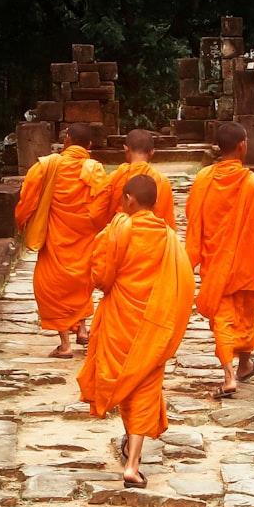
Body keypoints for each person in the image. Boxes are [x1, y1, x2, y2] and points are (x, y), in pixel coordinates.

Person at [77, 174, 195, 488]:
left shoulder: (115, 231)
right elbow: (184, 283)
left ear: (129, 199)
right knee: (145, 385)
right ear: (155, 203)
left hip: (119, 319)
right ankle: (132, 463)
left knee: (127, 382)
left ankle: (132, 451)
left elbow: (100, 277)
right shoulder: (169, 238)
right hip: (155, 324)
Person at [184, 121, 254, 399]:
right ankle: (240, 367)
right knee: (246, 315)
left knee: (224, 319)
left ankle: (236, 371)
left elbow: (193, 217)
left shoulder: (204, 179)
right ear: (242, 146)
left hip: (216, 263)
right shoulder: (253, 183)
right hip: (245, 263)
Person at [15, 122, 107, 358]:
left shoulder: (47, 166)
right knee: (81, 284)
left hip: (56, 240)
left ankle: (65, 344)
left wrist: (22, 222)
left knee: (51, 288)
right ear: (89, 145)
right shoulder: (95, 170)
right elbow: (102, 207)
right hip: (85, 239)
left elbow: (27, 200)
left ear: (66, 140)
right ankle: (83, 330)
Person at [91, 128, 176, 231]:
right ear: (152, 152)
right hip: (152, 240)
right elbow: (166, 222)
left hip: (120, 237)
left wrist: (111, 230)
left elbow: (96, 215)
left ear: (126, 149)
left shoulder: (114, 178)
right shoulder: (162, 181)